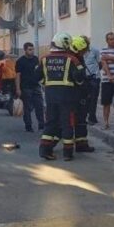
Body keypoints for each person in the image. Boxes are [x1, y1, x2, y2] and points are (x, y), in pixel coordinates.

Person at [39, 32, 86, 161]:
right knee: (67, 123)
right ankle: (67, 153)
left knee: (50, 122)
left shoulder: (43, 58)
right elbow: (80, 78)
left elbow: (37, 77)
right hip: (67, 97)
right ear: (65, 44)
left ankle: (45, 150)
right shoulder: (72, 59)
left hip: (50, 96)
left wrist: (47, 84)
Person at [70, 36, 95, 153]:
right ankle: (79, 145)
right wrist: (86, 82)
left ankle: (81, 143)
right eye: (85, 49)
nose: (86, 51)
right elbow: (78, 78)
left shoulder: (76, 58)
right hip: (77, 94)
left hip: (77, 94)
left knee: (80, 120)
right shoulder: (74, 60)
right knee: (79, 120)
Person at [15, 42, 45, 132]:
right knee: (27, 108)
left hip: (36, 86)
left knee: (39, 106)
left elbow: (39, 72)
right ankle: (28, 126)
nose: (32, 51)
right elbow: (18, 75)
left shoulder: (36, 59)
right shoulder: (20, 61)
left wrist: (42, 83)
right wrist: (18, 88)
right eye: (30, 50)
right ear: (25, 50)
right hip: (25, 87)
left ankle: (41, 124)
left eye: (33, 49)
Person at [81, 35, 101, 125]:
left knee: (93, 98)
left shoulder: (95, 51)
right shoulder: (79, 52)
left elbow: (99, 63)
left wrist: (95, 72)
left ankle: (92, 117)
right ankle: (84, 116)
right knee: (85, 98)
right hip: (84, 78)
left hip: (94, 78)